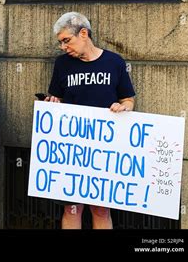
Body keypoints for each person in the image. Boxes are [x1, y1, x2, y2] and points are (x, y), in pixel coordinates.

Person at [45, 12, 135, 229]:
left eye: (67, 40)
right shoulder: (62, 64)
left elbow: (128, 100)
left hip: (105, 147)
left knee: (102, 208)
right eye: (60, 42)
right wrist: (51, 104)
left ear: (83, 33)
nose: (63, 47)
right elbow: (55, 98)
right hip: (71, 148)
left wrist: (123, 107)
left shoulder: (114, 62)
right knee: (71, 207)